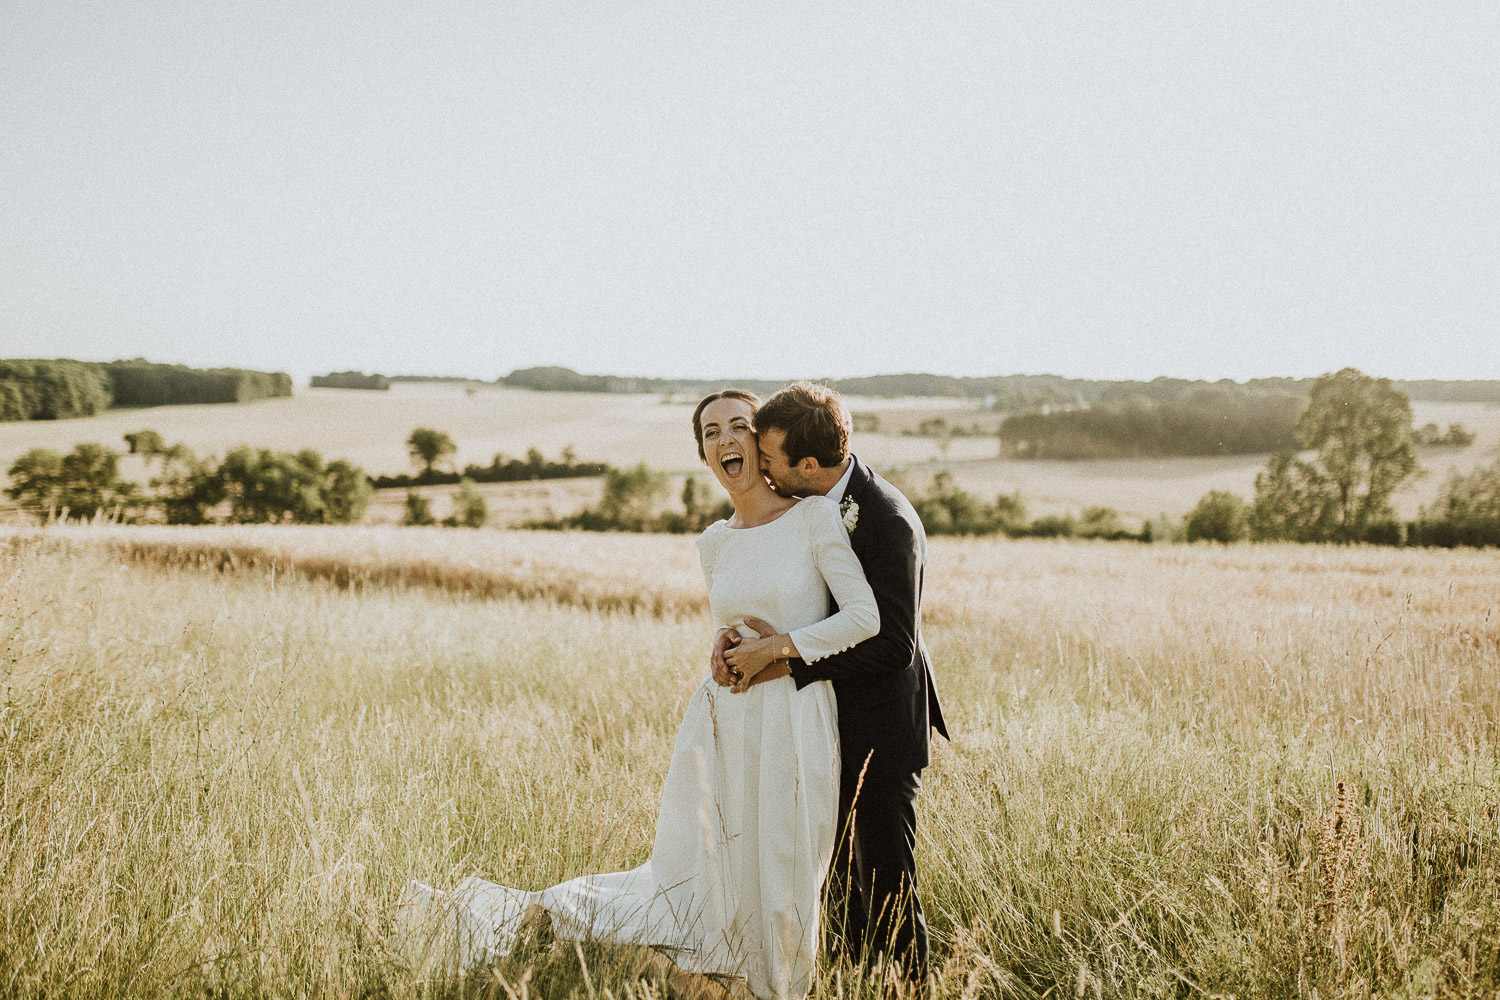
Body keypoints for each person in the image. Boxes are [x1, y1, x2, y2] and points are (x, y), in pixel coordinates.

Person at [402, 389, 878, 1000]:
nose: (726, 439)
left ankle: (778, 989)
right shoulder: (714, 541)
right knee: (705, 874)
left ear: (762, 443)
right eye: (711, 433)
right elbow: (732, 615)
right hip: (722, 721)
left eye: (740, 426)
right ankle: (546, 925)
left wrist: (777, 648)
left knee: (784, 875)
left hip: (794, 719)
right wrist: (722, 641)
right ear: (704, 454)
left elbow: (864, 617)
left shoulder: (812, 518)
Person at [715, 381, 947, 982]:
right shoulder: (813, 507)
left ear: (809, 465)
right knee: (834, 874)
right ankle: (844, 981)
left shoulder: (887, 520)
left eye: (768, 458)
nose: (760, 467)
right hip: (823, 723)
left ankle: (909, 988)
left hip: (882, 730)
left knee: (888, 880)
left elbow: (894, 645)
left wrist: (788, 658)